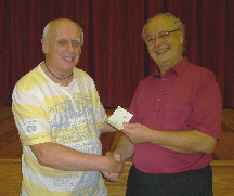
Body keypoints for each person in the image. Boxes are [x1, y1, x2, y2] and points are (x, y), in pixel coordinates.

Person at [107, 13, 222, 195]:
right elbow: (129, 133)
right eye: (150, 39)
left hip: (186, 184)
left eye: (164, 35)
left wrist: (150, 135)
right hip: (140, 183)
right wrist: (115, 159)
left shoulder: (203, 79)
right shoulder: (144, 85)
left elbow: (206, 142)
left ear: (181, 36)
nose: (157, 43)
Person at [12, 18, 123, 195]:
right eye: (62, 42)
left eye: (76, 43)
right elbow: (45, 153)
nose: (70, 49)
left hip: (93, 191)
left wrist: (130, 116)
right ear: (45, 46)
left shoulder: (85, 79)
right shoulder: (28, 88)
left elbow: (99, 123)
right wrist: (104, 163)